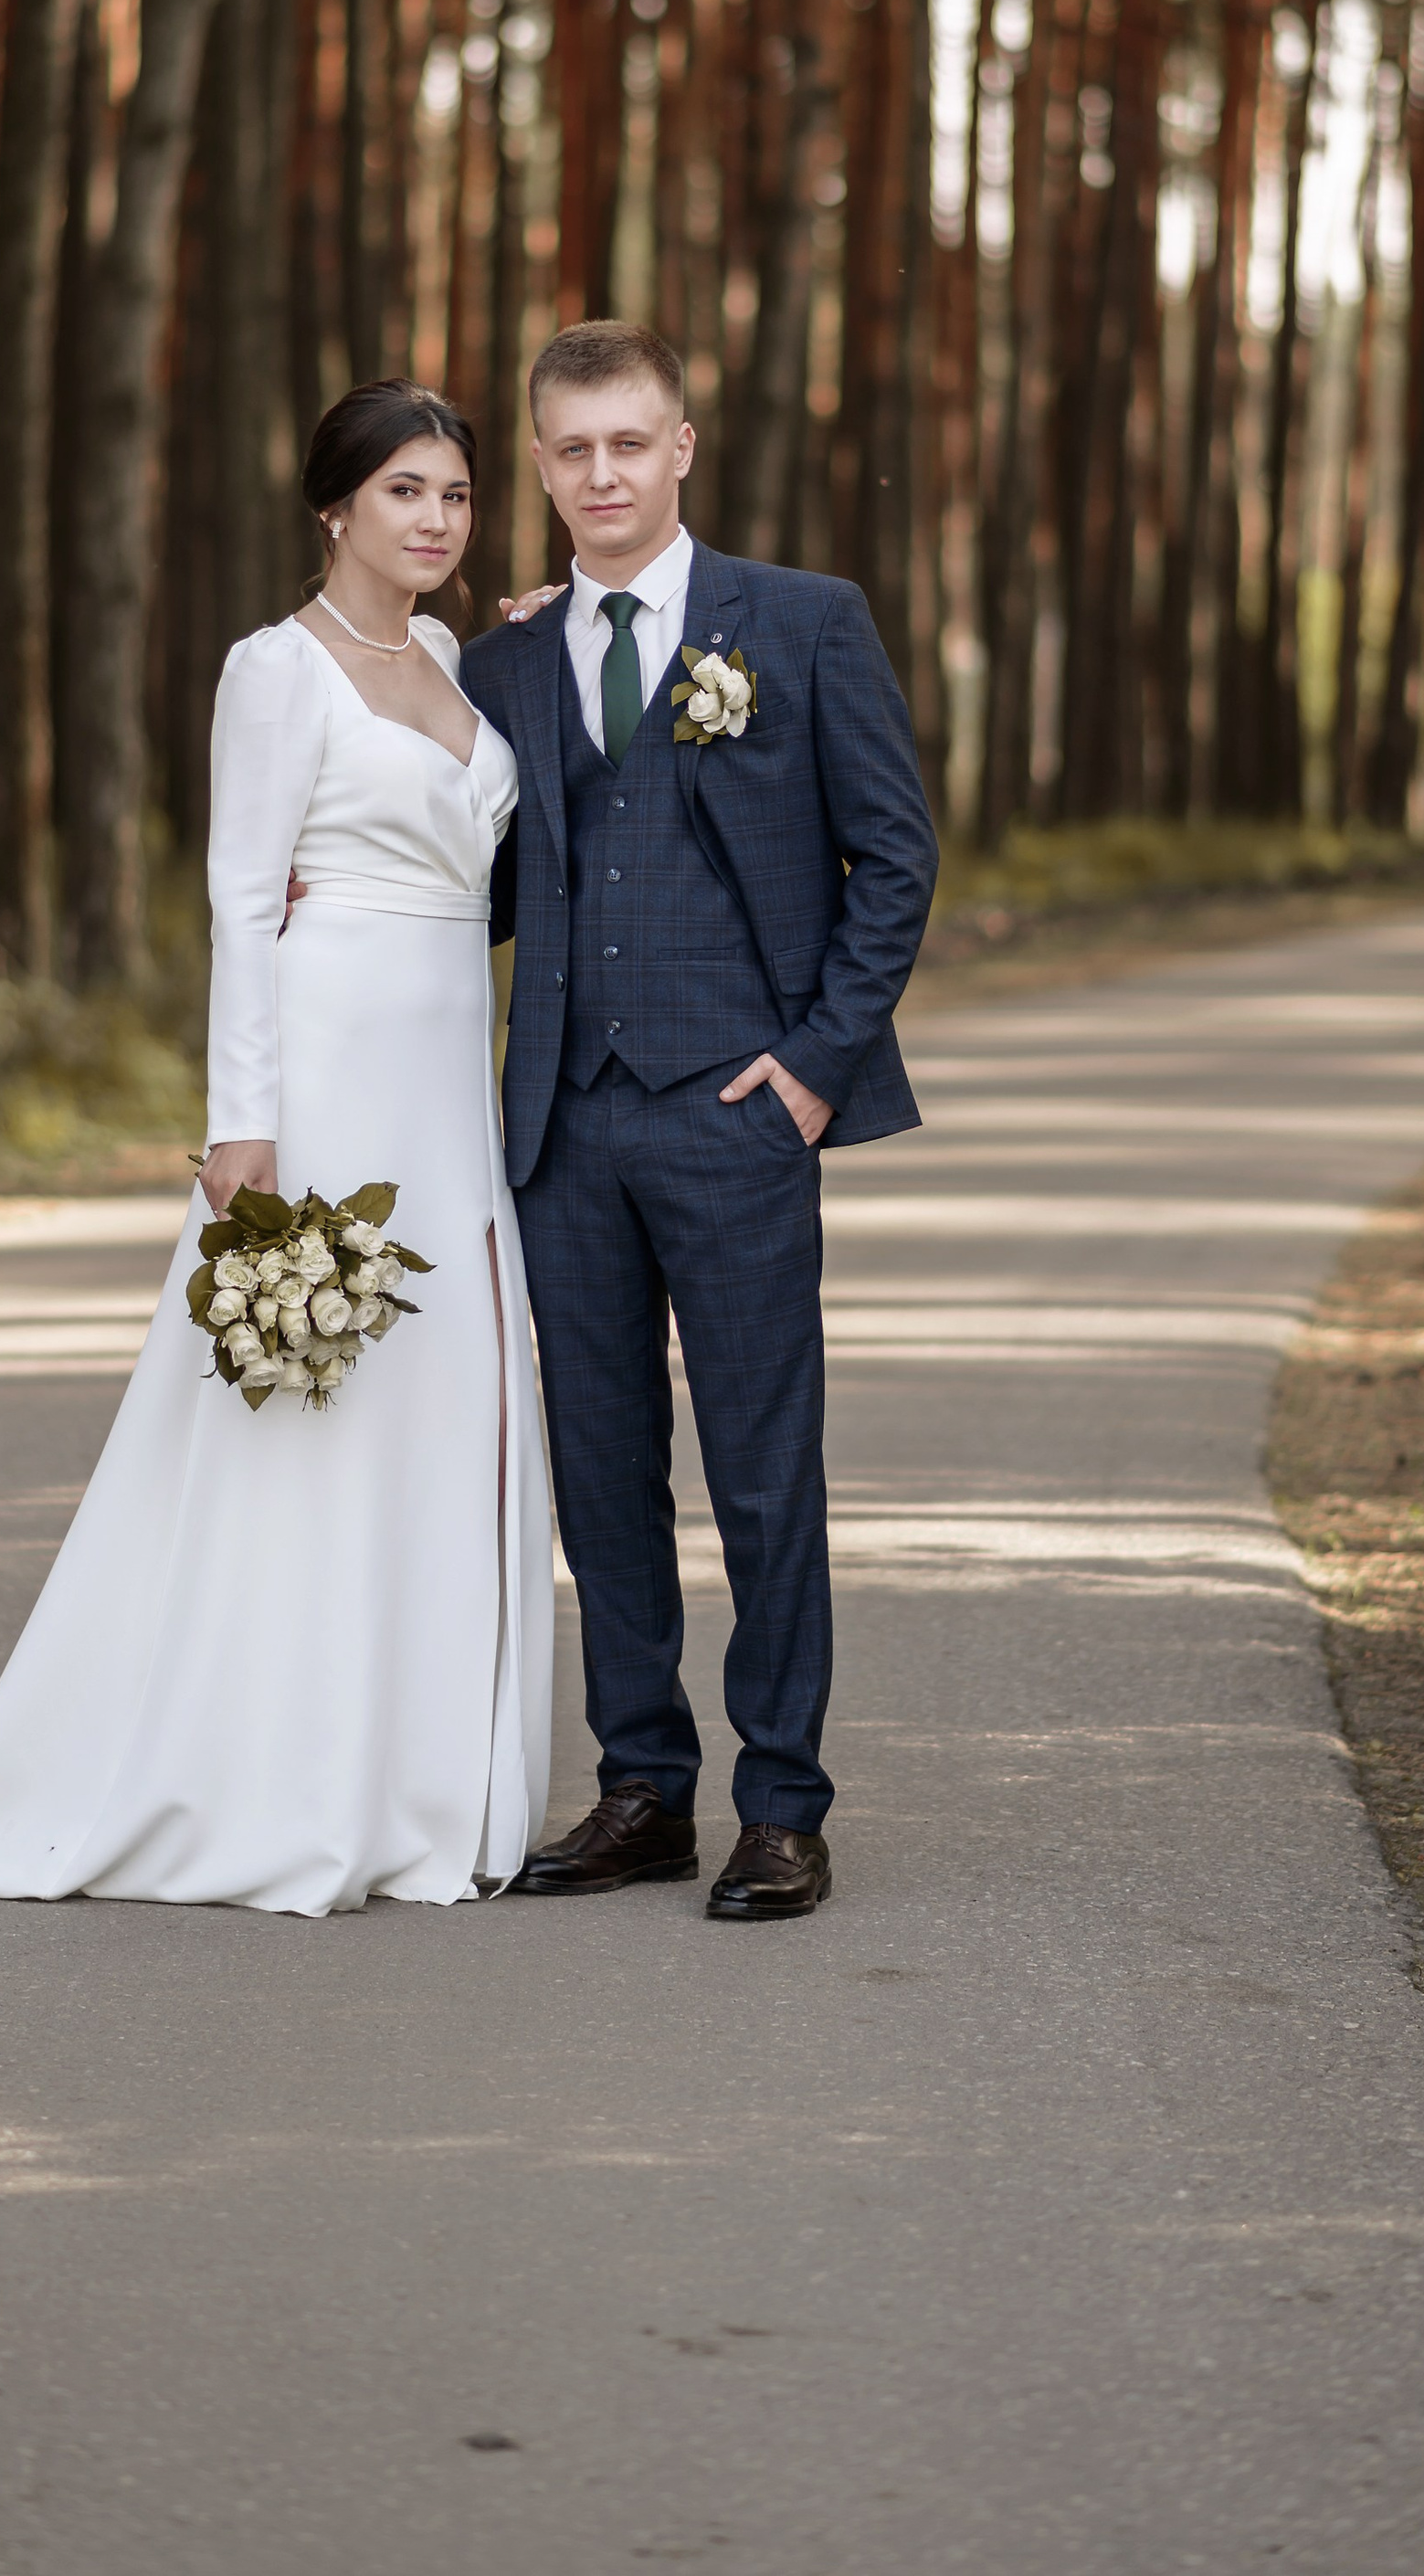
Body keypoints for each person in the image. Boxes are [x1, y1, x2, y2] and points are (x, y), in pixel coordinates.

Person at [0, 382, 551, 1917]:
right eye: (403, 493)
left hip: (449, 1071)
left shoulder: (452, 657)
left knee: (438, 1399)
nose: (435, 518)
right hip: (324, 1071)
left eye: (452, 493)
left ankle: (425, 1773)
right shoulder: (276, 669)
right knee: (305, 1406)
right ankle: (277, 1772)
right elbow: (243, 898)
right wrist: (246, 1120)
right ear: (335, 509)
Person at [459, 322, 938, 1923]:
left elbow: (896, 859)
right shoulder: (507, 661)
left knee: (759, 1469)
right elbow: (478, 885)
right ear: (539, 467)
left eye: (629, 444)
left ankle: (782, 1804)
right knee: (600, 1471)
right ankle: (641, 1787)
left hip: (738, 1122)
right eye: (571, 450)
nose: (602, 474)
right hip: (564, 1132)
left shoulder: (798, 625)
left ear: (681, 451)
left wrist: (811, 1066)